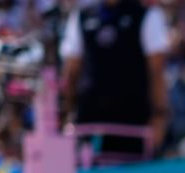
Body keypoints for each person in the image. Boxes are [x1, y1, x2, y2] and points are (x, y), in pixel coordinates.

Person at [59, 0, 171, 159]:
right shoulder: (82, 16)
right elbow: (71, 71)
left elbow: (157, 72)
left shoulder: (147, 15)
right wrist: (67, 112)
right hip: (89, 124)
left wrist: (160, 116)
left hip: (133, 124)